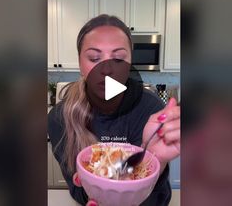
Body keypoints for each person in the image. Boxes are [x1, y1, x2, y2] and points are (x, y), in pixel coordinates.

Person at [48, 14, 180, 206]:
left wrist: (152, 158)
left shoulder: (151, 110)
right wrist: (94, 190)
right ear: (80, 64)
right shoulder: (59, 118)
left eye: (118, 58)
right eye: (94, 57)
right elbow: (78, 191)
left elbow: (154, 197)